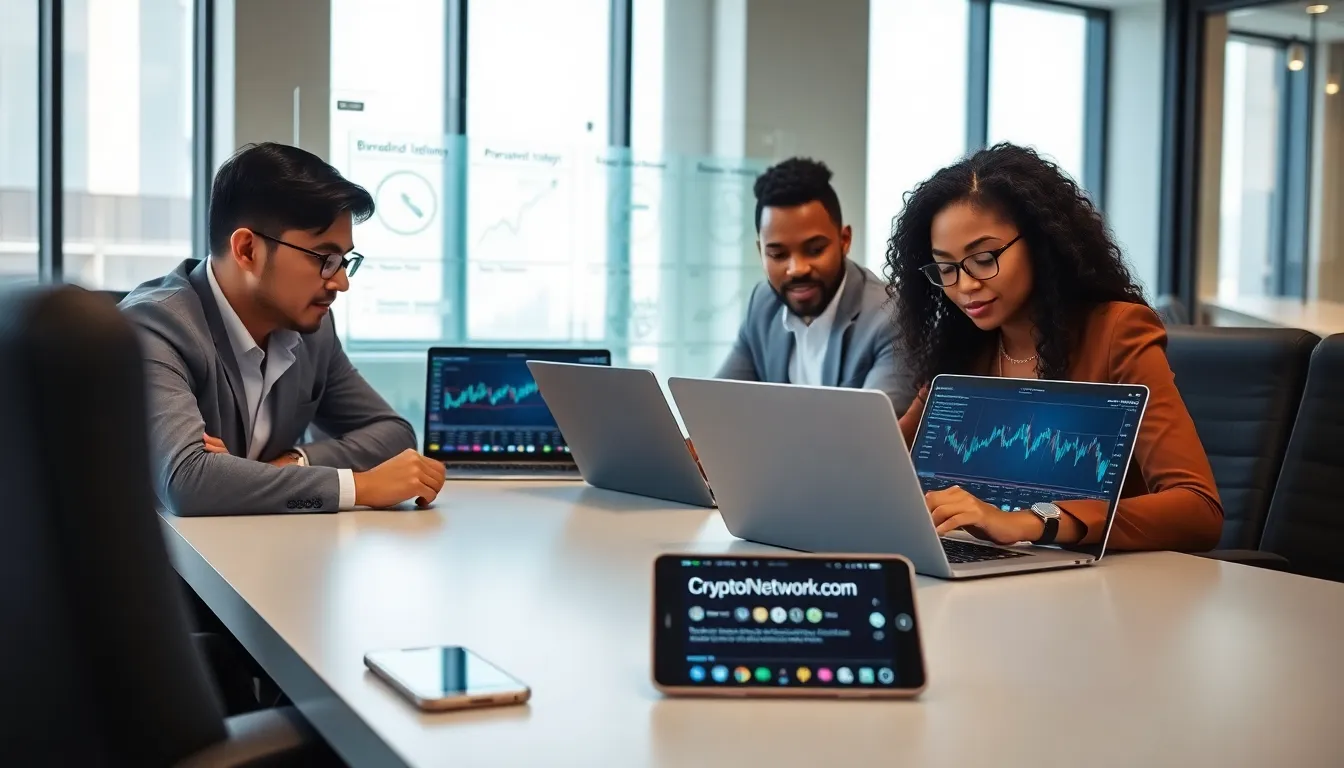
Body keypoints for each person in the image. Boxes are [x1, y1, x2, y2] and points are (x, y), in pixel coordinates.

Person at [884, 143, 1222, 552]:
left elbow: (1199, 509)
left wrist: (1028, 522)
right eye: (946, 267)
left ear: (1042, 244)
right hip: (986, 572)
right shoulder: (962, 352)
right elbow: (881, 462)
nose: (965, 285)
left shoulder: (1117, 332)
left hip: (1103, 587)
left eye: (984, 257)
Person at [121, 142, 446, 516]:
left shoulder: (313, 330)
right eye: (325, 259)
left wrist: (295, 462)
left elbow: (392, 434)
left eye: (344, 261)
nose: (341, 282)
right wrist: (360, 486)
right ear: (247, 250)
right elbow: (189, 482)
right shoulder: (153, 329)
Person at [716, 157, 915, 412]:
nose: (797, 268)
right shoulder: (763, 303)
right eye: (778, 254)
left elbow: (871, 438)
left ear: (844, 241)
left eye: (815, 249)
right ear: (761, 252)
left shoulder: (892, 316)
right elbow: (718, 405)